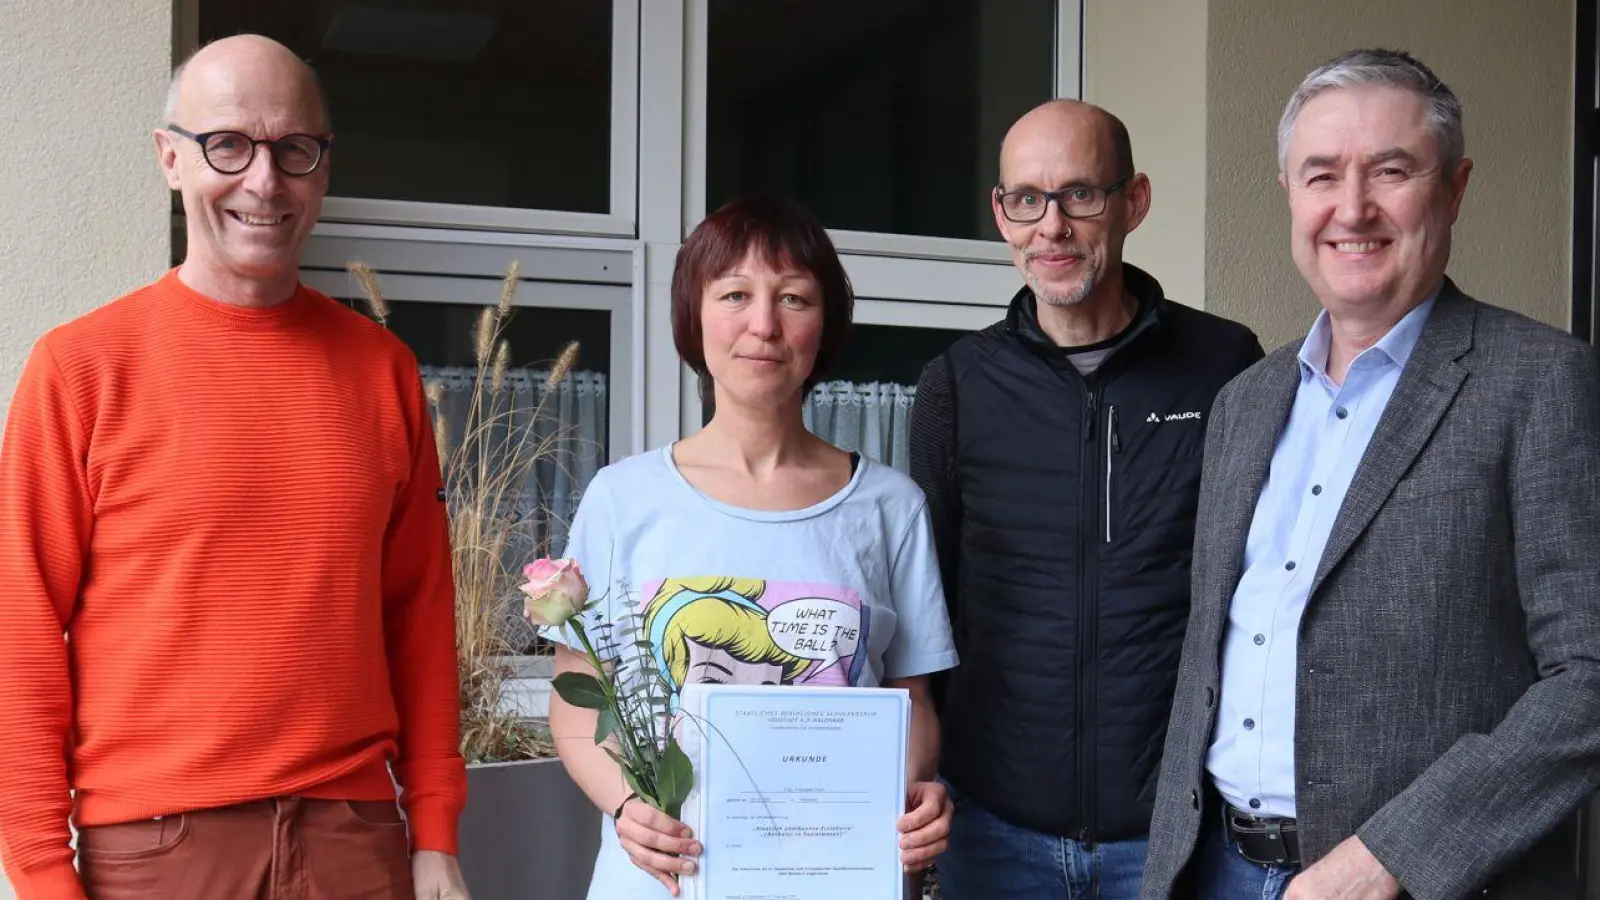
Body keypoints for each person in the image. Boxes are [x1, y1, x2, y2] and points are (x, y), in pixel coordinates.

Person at [0, 35, 469, 900]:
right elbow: (21, 634)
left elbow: (421, 619)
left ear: (323, 170)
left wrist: (433, 834)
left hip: (354, 842)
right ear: (169, 158)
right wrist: (39, 872)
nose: (264, 181)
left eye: (295, 150)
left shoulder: (383, 369)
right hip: (156, 849)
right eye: (229, 145)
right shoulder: (80, 369)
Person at [1141, 48, 1600, 900]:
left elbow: (1589, 677)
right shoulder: (1245, 400)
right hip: (1210, 868)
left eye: (1391, 171)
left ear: (1455, 189)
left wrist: (1390, 857)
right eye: (1322, 175)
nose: (1351, 208)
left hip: (1418, 883)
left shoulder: (1540, 382)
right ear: (1288, 190)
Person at [542, 194, 959, 899]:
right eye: (735, 294)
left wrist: (917, 790)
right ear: (693, 315)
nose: (763, 325)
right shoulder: (623, 499)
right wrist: (626, 805)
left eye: (793, 298)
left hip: (837, 879)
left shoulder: (890, 507)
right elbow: (577, 696)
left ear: (823, 325)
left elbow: (911, 700)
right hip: (663, 882)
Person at [908, 100, 1262, 898]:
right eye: (1026, 199)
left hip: (1175, 832)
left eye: (1080, 195)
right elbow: (928, 608)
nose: (1052, 226)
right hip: (995, 830)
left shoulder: (1227, 364)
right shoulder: (956, 386)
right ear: (1001, 214)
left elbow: (1258, 581)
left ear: (1133, 200)